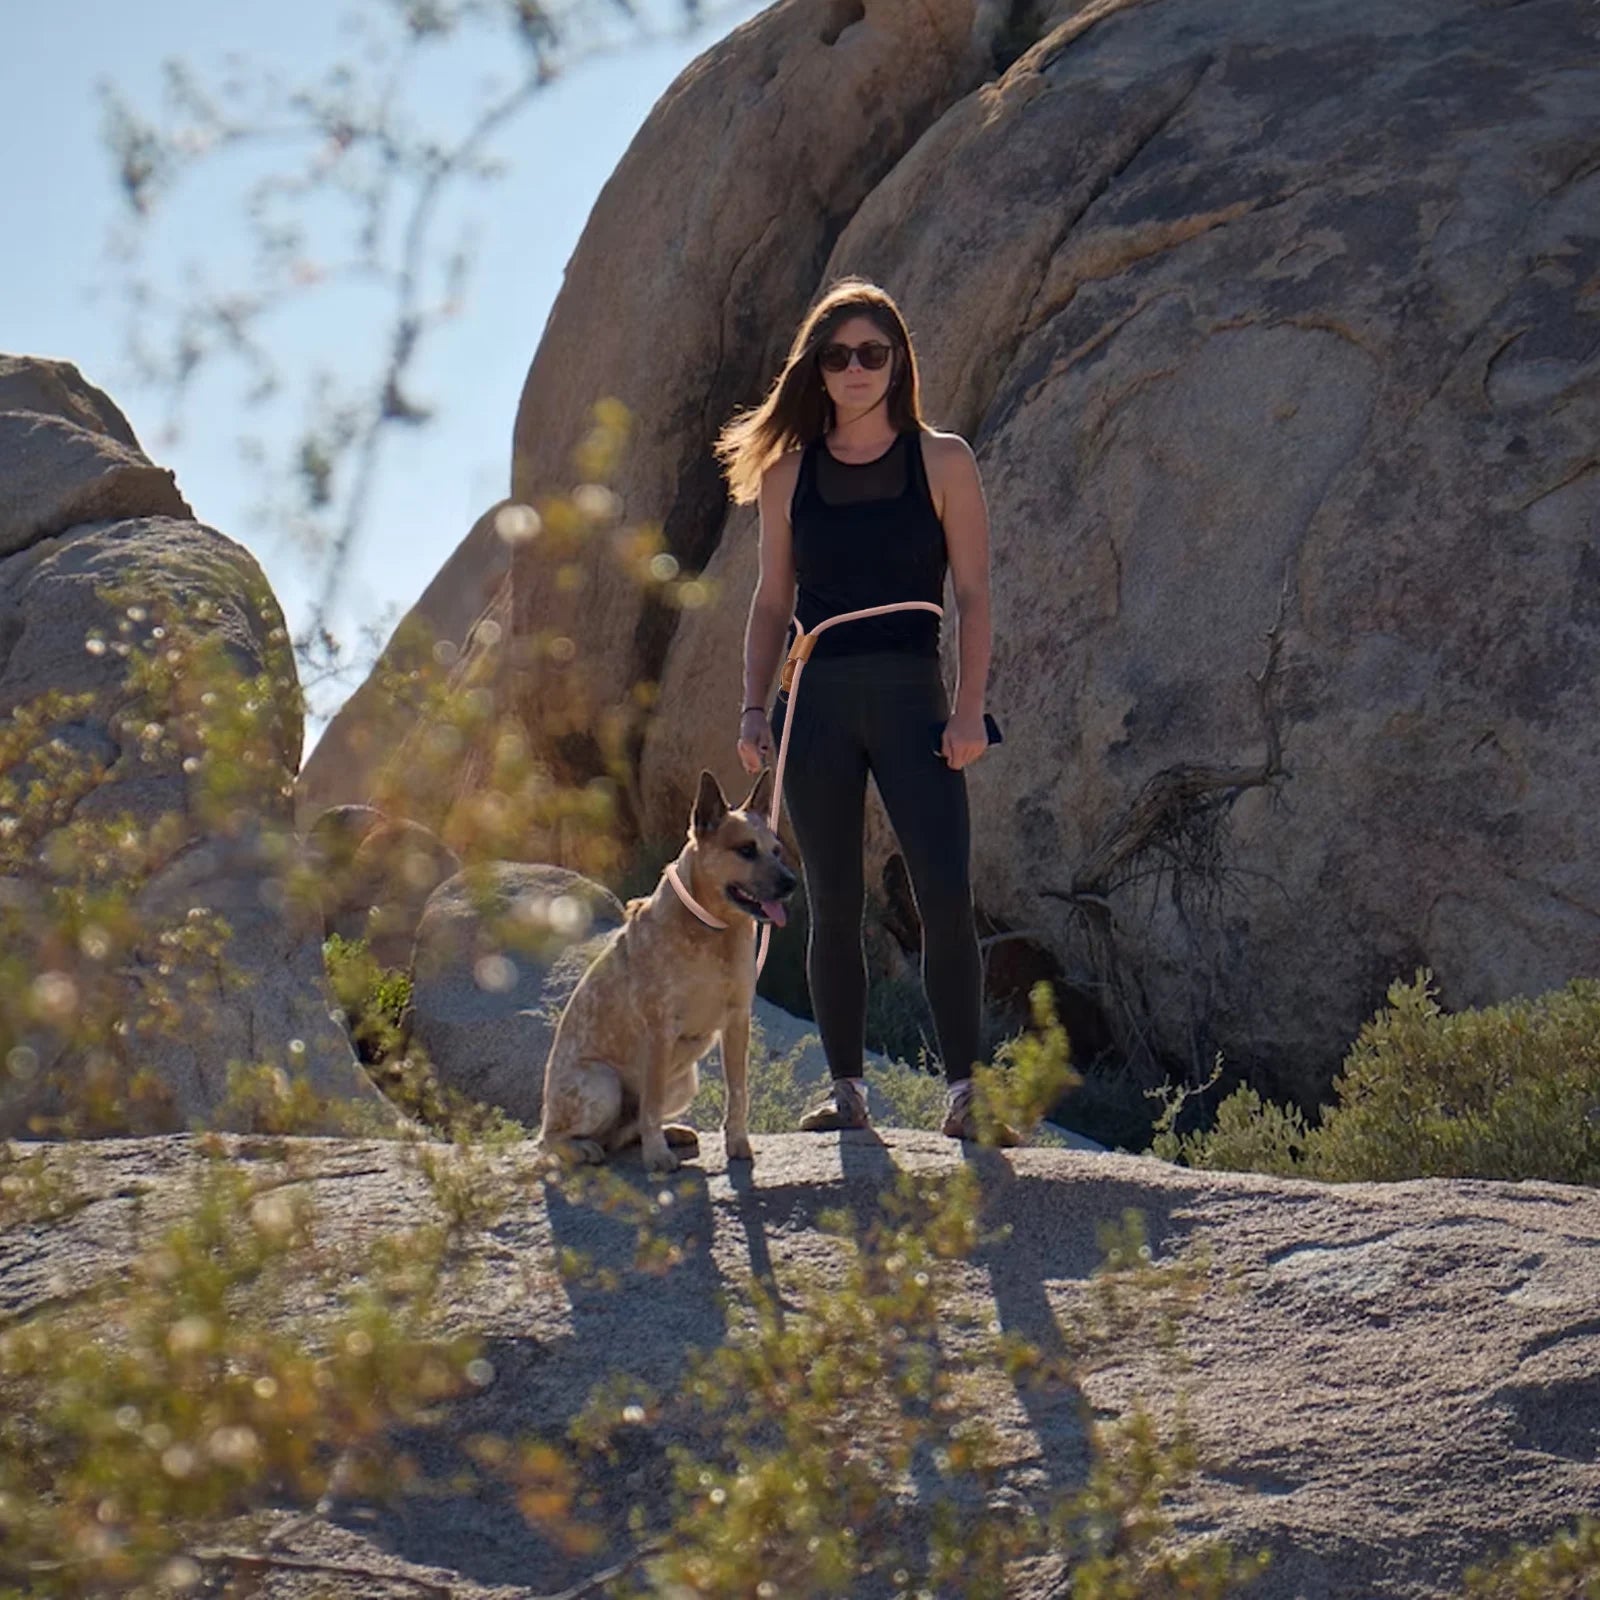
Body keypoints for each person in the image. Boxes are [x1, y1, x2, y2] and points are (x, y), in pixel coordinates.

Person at [713, 276, 1015, 1144]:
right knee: (831, 900)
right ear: (818, 366)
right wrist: (750, 710)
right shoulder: (787, 475)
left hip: (914, 698)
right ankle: (847, 1093)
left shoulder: (943, 459)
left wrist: (969, 712)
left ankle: (967, 1095)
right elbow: (771, 603)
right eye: (838, 354)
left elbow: (975, 593)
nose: (854, 368)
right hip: (817, 702)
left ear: (897, 364)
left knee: (945, 892)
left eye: (871, 354)